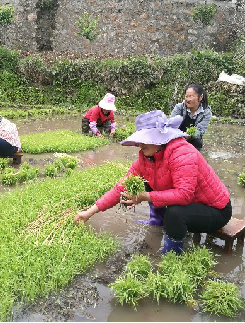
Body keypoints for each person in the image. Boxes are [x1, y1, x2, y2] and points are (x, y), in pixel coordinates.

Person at [74, 110, 232, 255]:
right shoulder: (146, 158)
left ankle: (171, 257)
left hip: (215, 209)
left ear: (160, 139)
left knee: (174, 214)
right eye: (140, 140)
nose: (140, 145)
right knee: (149, 182)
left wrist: (143, 196)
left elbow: (184, 195)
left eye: (145, 140)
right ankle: (158, 223)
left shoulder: (182, 153)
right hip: (190, 205)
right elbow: (120, 187)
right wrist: (89, 212)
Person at [170, 84, 211, 151]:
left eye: (191, 96)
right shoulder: (179, 107)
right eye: (186, 96)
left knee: (197, 142)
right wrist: (179, 135)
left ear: (200, 97)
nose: (188, 99)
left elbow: (200, 131)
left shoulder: (206, 112)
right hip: (177, 138)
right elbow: (171, 125)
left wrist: (189, 135)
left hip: (194, 141)